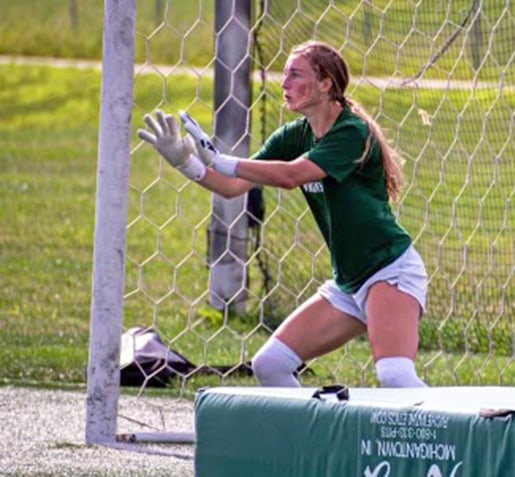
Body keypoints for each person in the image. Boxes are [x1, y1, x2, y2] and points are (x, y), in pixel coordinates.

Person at [138, 40, 428, 388]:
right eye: (285, 74)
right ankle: (313, 442)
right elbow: (232, 187)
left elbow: (291, 176)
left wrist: (218, 159)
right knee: (270, 365)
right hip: (349, 283)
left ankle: (459, 437)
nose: (284, 82)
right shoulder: (294, 135)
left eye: (295, 74)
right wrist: (184, 161)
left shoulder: (352, 131)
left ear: (325, 84)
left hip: (388, 271)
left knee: (395, 377)